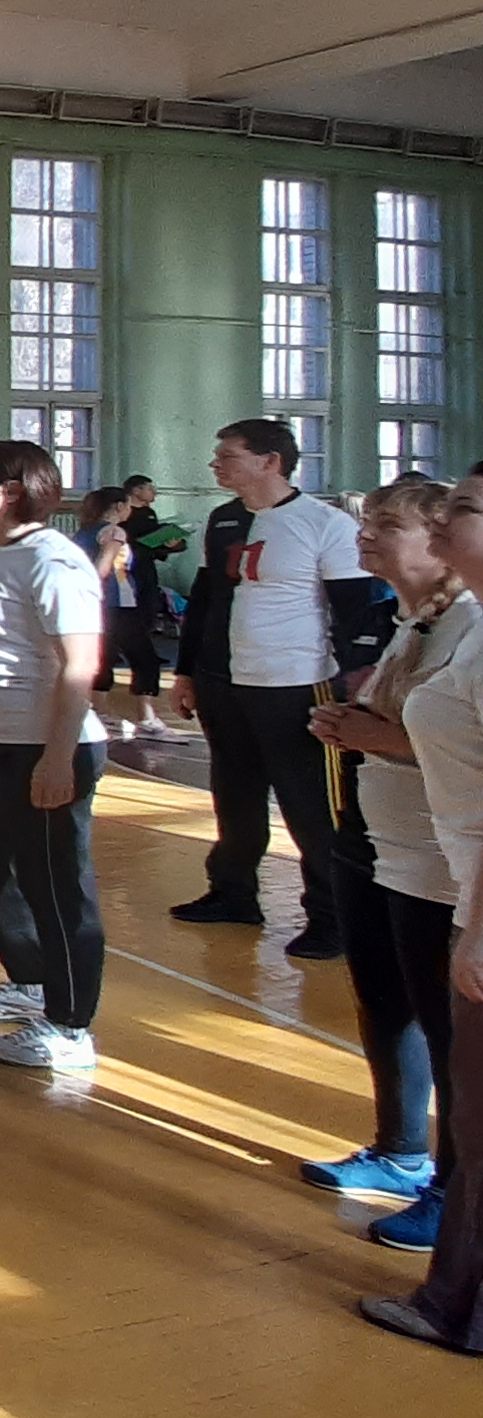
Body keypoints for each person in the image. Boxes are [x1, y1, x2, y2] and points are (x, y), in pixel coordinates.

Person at [302, 476, 473, 1253]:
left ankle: (455, 1191)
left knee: (447, 1029)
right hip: (381, 842)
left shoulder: (469, 624)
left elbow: (458, 746)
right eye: (366, 521)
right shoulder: (406, 620)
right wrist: (353, 723)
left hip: (438, 860)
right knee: (386, 999)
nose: (365, 535)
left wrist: (378, 737)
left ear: (440, 543)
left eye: (387, 524)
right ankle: (401, 1151)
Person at [167, 418, 378, 958]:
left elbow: (353, 613)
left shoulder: (324, 524)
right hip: (225, 681)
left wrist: (355, 690)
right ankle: (233, 893)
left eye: (228, 456)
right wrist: (187, 672)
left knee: (308, 805)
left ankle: (332, 917)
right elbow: (206, 601)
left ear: (270, 462)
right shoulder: (224, 520)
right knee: (234, 795)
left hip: (294, 684)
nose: (215, 464)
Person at [356, 470, 483, 1355]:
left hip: (465, 889)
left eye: (460, 510)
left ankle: (458, 1306)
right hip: (441, 871)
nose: (440, 523)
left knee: (476, 1108)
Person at [0, 440, 108, 1073]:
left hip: (38, 747)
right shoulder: (0, 553)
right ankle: (32, 980)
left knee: (55, 886)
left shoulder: (53, 560)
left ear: (10, 491)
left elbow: (79, 665)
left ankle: (70, 1026)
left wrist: (57, 760)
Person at [78, 487, 168, 738]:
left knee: (104, 657)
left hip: (94, 605)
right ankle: (146, 717)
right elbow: (103, 568)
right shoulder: (114, 532)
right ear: (119, 507)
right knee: (145, 658)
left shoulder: (84, 532)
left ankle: (100, 713)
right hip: (116, 604)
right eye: (127, 505)